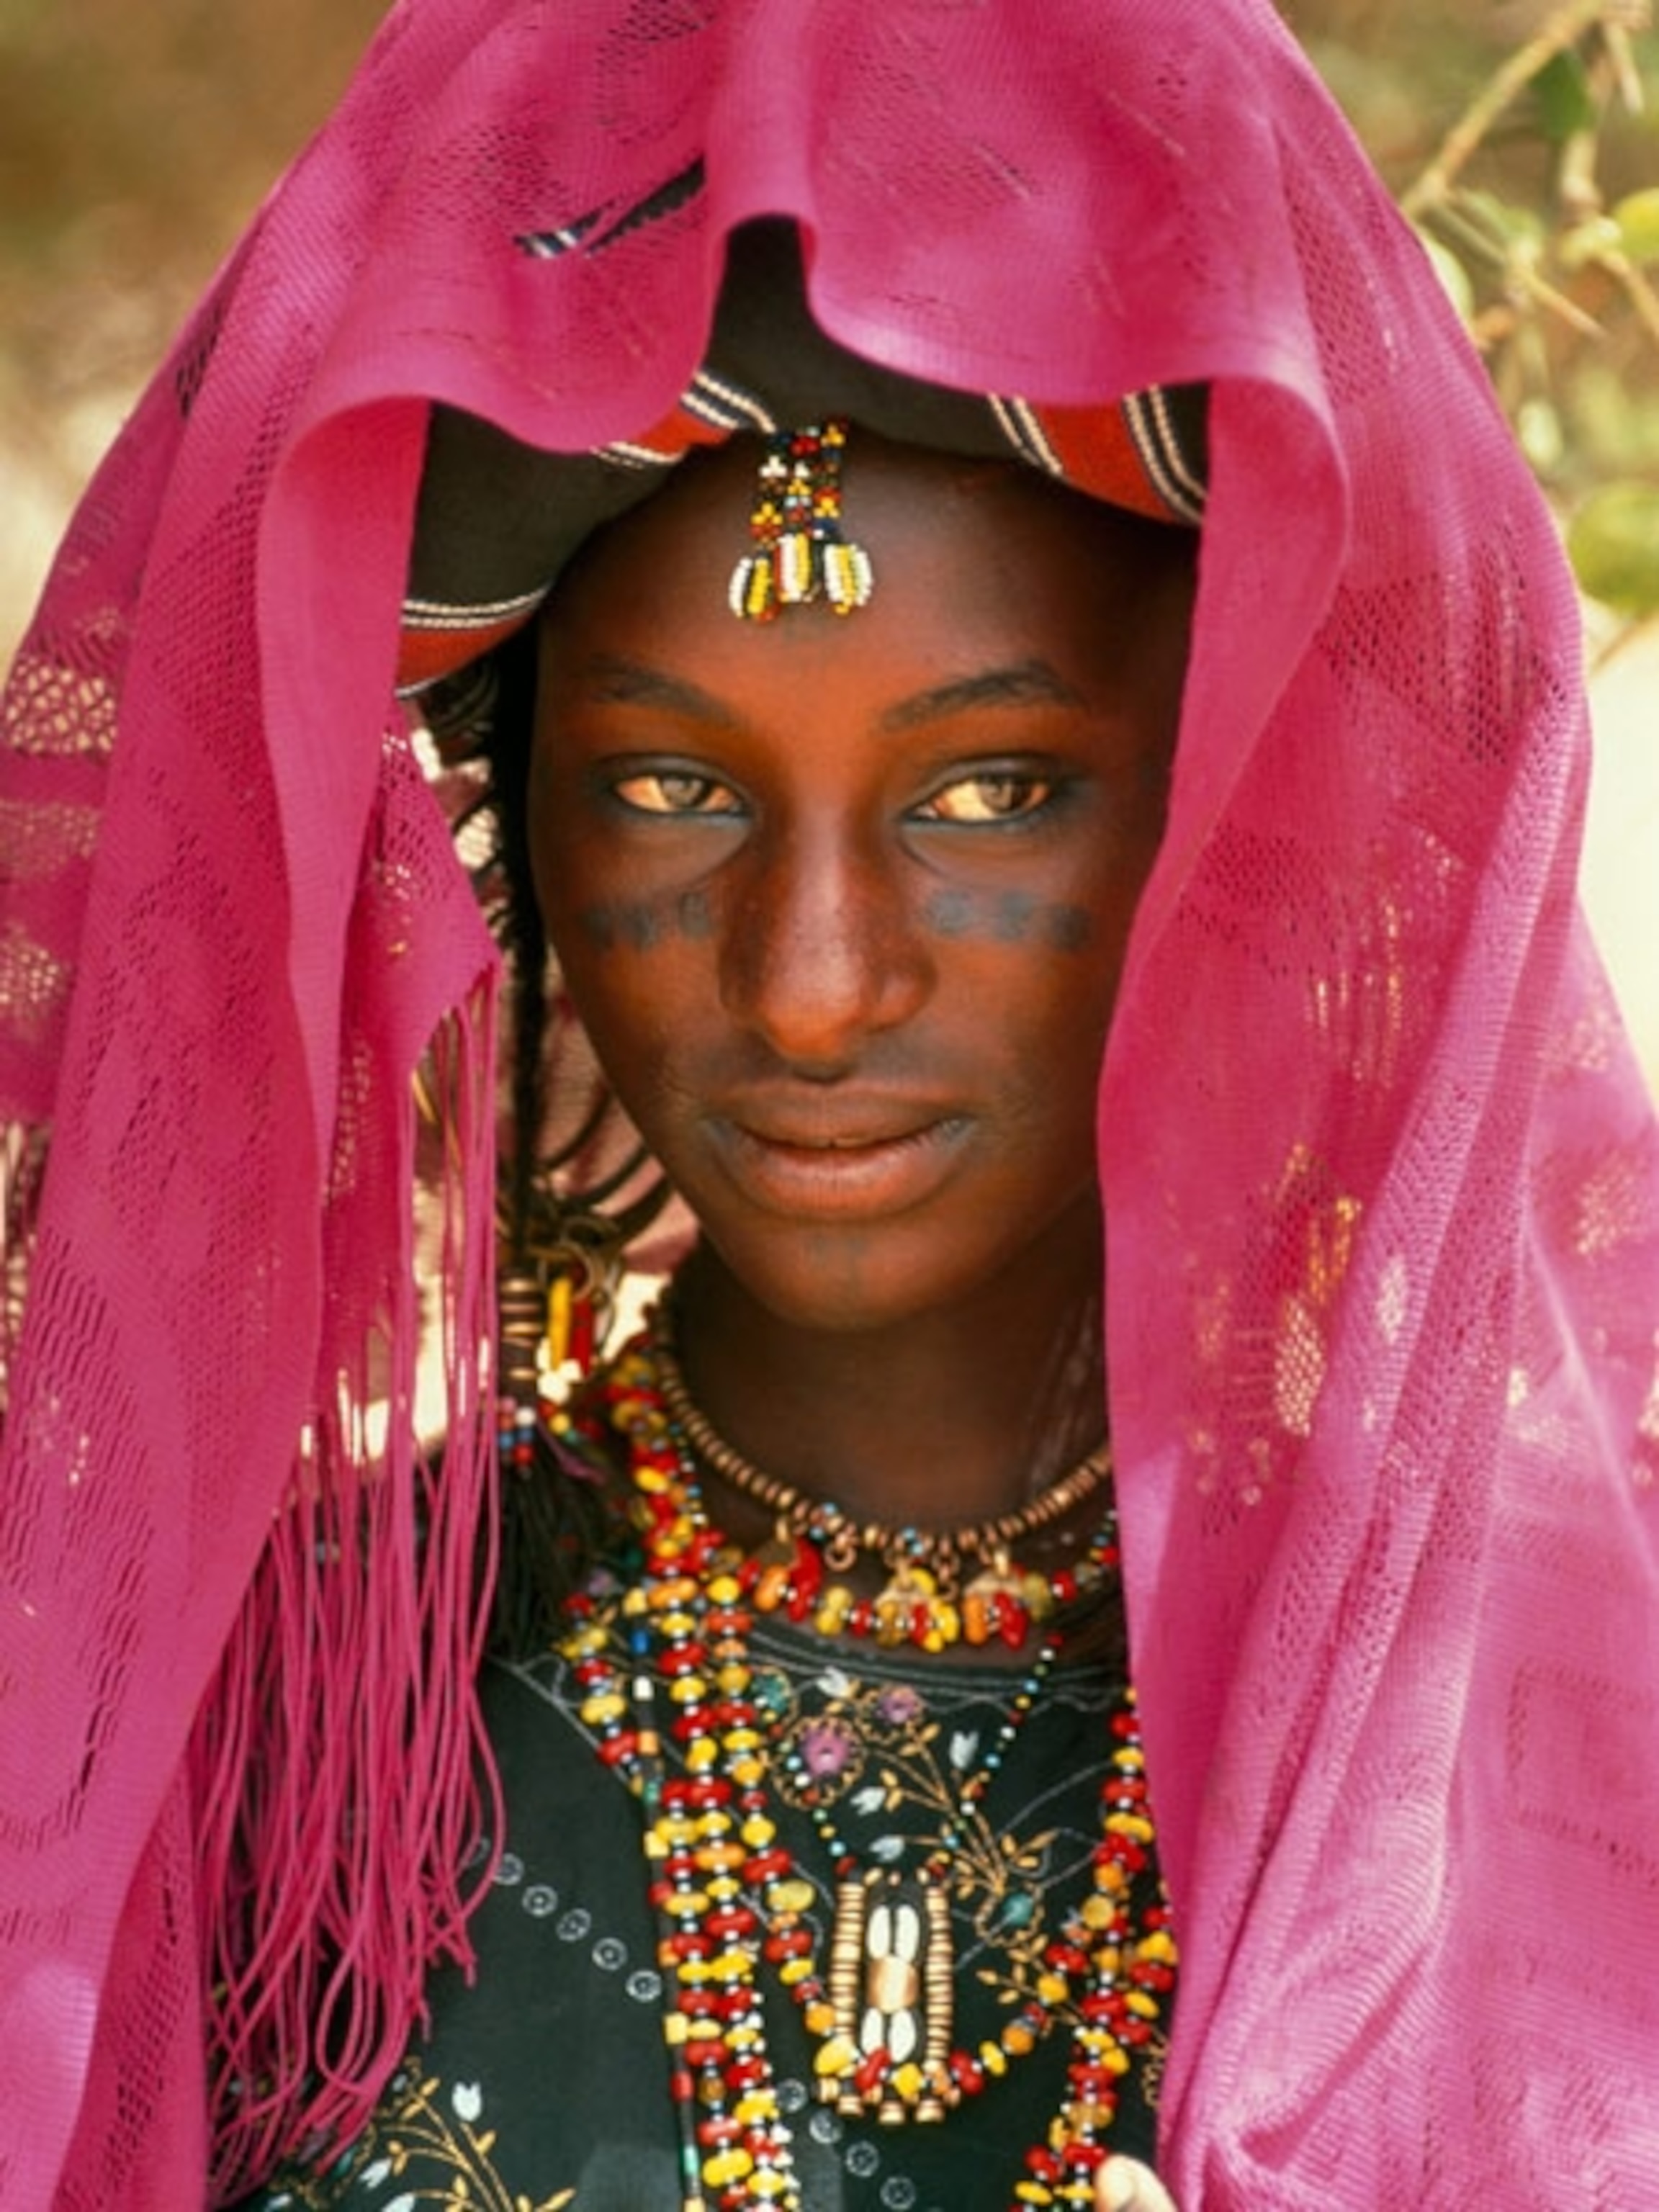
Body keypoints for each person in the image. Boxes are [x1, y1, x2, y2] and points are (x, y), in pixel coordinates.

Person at [2, 4, 1657, 2208]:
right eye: (669, 792)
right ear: (520, 852)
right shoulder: (244, 1747)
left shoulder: (1516, 1752)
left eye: (989, 793)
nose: (809, 984)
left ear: (1223, 826)